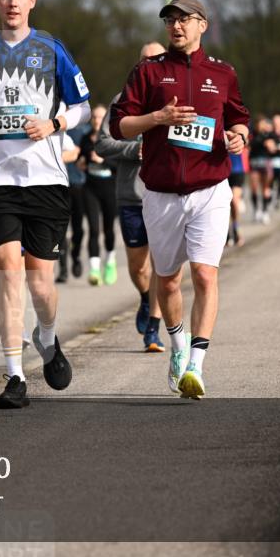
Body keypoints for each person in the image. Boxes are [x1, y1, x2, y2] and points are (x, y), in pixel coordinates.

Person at [0, 0, 91, 409]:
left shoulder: (51, 50)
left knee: (40, 286)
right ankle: (14, 376)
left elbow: (84, 108)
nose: (12, 2)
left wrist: (54, 122)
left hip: (46, 181)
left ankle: (47, 337)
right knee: (9, 271)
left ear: (33, 0)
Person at [109, 0, 250, 400]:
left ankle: (196, 366)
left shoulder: (222, 73)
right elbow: (119, 127)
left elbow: (239, 117)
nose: (176, 26)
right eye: (170, 20)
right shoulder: (148, 72)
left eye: (185, 19)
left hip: (210, 190)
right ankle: (177, 345)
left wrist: (239, 136)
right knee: (168, 282)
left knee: (205, 274)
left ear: (202, 25)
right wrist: (158, 118)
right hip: (161, 193)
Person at [95, 40, 167, 351]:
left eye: (158, 60)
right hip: (131, 195)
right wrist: (133, 148)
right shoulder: (122, 101)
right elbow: (101, 145)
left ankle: (154, 326)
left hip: (165, 194)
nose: (151, 66)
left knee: (162, 266)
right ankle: (144, 298)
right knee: (139, 268)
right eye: (146, 61)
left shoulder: (176, 99)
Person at [79, 106, 119, 286]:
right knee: (93, 229)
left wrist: (103, 160)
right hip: (91, 187)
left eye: (100, 117)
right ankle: (94, 270)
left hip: (110, 187)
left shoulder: (114, 139)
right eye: (94, 117)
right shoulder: (86, 139)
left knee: (108, 229)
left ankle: (110, 262)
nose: (97, 121)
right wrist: (83, 162)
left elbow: (119, 165)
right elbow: (81, 159)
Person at [57, 120, 89, 282]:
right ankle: (63, 269)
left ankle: (76, 257)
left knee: (78, 229)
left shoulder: (83, 129)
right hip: (57, 186)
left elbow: (82, 152)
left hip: (78, 185)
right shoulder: (52, 126)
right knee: (60, 229)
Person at [248, 114, 276, 224]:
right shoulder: (252, 135)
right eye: (260, 124)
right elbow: (250, 144)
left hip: (266, 163)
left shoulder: (269, 135)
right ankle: (256, 210)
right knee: (254, 188)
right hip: (254, 163)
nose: (262, 126)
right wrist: (262, 142)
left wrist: (272, 146)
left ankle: (265, 211)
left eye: (264, 123)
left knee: (265, 188)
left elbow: (274, 147)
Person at [227, 137, 249, 247]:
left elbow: (247, 141)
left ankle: (236, 228)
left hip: (237, 170)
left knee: (234, 200)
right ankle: (226, 232)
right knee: (224, 203)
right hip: (222, 170)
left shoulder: (237, 124)